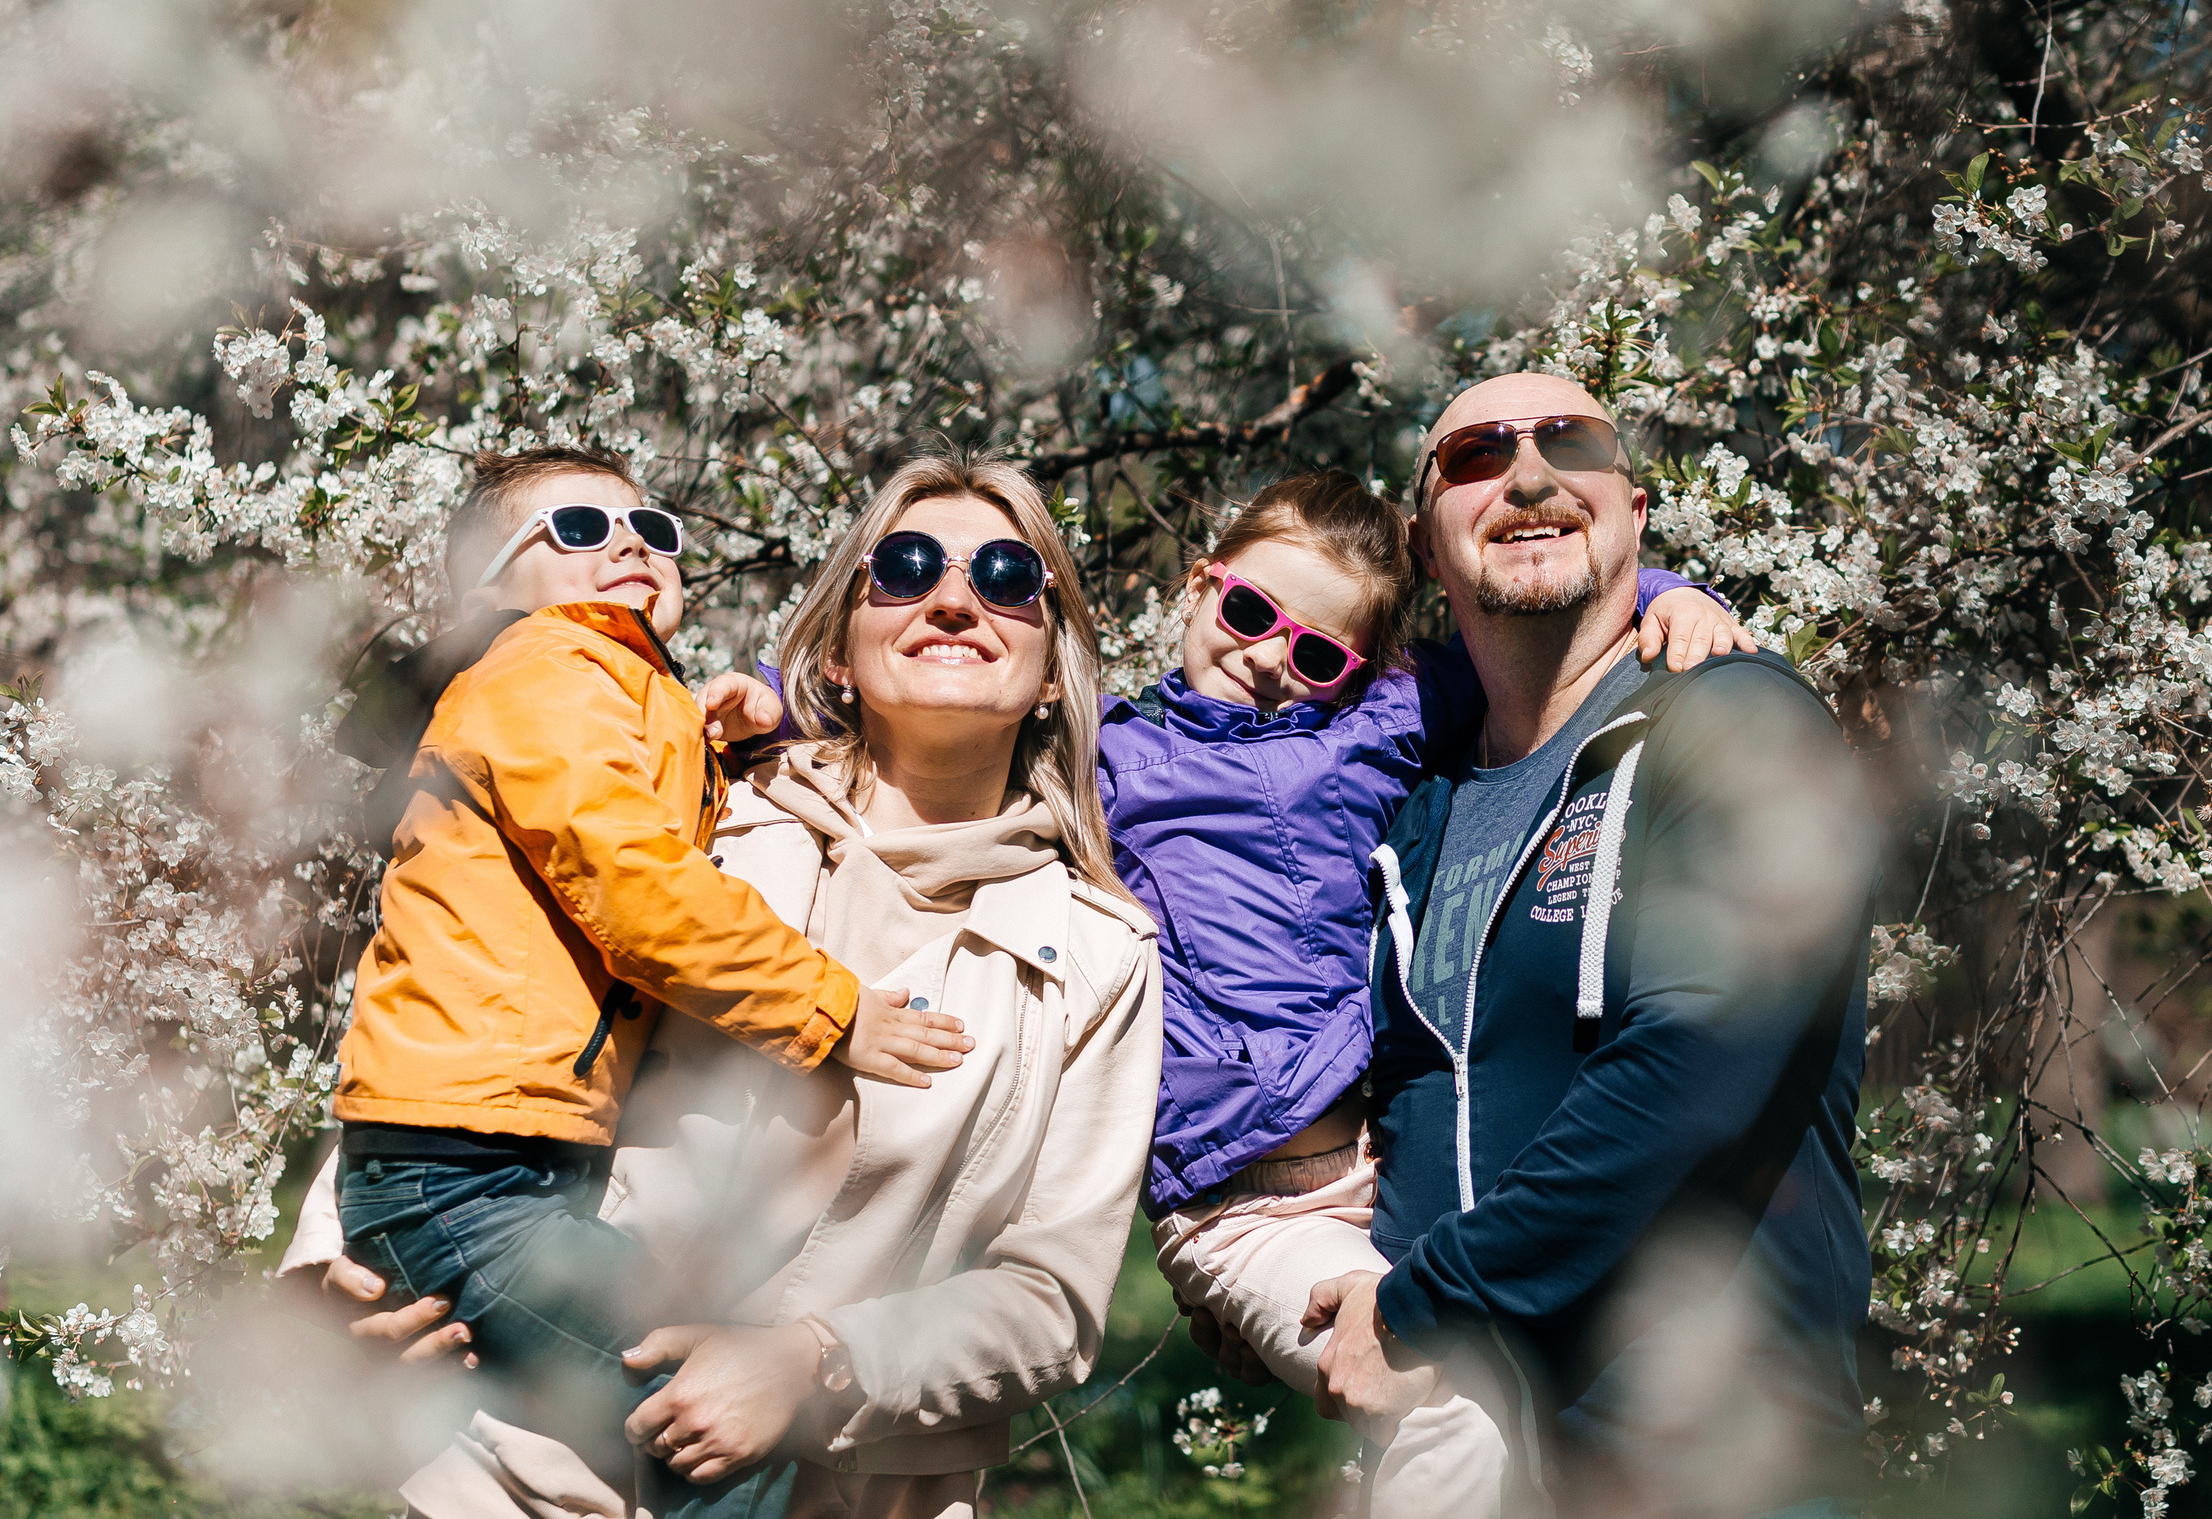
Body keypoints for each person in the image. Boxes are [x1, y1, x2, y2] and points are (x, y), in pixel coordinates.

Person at [702, 470, 1749, 1516]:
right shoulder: (1100, 756)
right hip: (1241, 1208)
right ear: (1203, 583)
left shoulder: (1375, 729)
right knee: (1450, 1402)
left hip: (1394, 1170)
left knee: (1548, 1388)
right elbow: (932, 691)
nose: (1264, 660)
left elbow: (1530, 629)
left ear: (1356, 671)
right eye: (1248, 613)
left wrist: (1661, 593)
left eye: (1316, 654)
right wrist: (768, 694)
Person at [289, 451, 1163, 1519]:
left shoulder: (1098, 955)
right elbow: (470, 1010)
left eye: (1008, 578)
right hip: (525, 1478)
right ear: (837, 651)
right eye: (908, 565)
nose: (953, 597)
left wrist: (815, 1360)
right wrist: (331, 1274)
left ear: (1051, 664)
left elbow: (1050, 1305)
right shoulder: (693, 829)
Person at [1303, 376, 1880, 1519]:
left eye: (1571, 444)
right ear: (1423, 544)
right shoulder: (1415, 811)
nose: (1527, 477)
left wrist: (1423, 1306)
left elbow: (1694, 1069)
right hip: (1478, 1464)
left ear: (1635, 513)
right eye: (1475, 455)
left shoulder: (1731, 724)